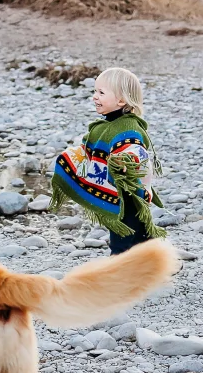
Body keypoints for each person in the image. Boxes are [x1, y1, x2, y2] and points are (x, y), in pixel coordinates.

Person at [51, 67, 165, 255]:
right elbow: (92, 152)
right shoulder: (104, 126)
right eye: (95, 91)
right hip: (118, 193)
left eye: (101, 93)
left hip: (130, 196)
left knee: (122, 241)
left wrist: (124, 161)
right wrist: (70, 158)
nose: (95, 96)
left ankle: (119, 272)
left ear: (121, 100)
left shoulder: (129, 126)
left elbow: (135, 151)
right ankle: (164, 263)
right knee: (142, 237)